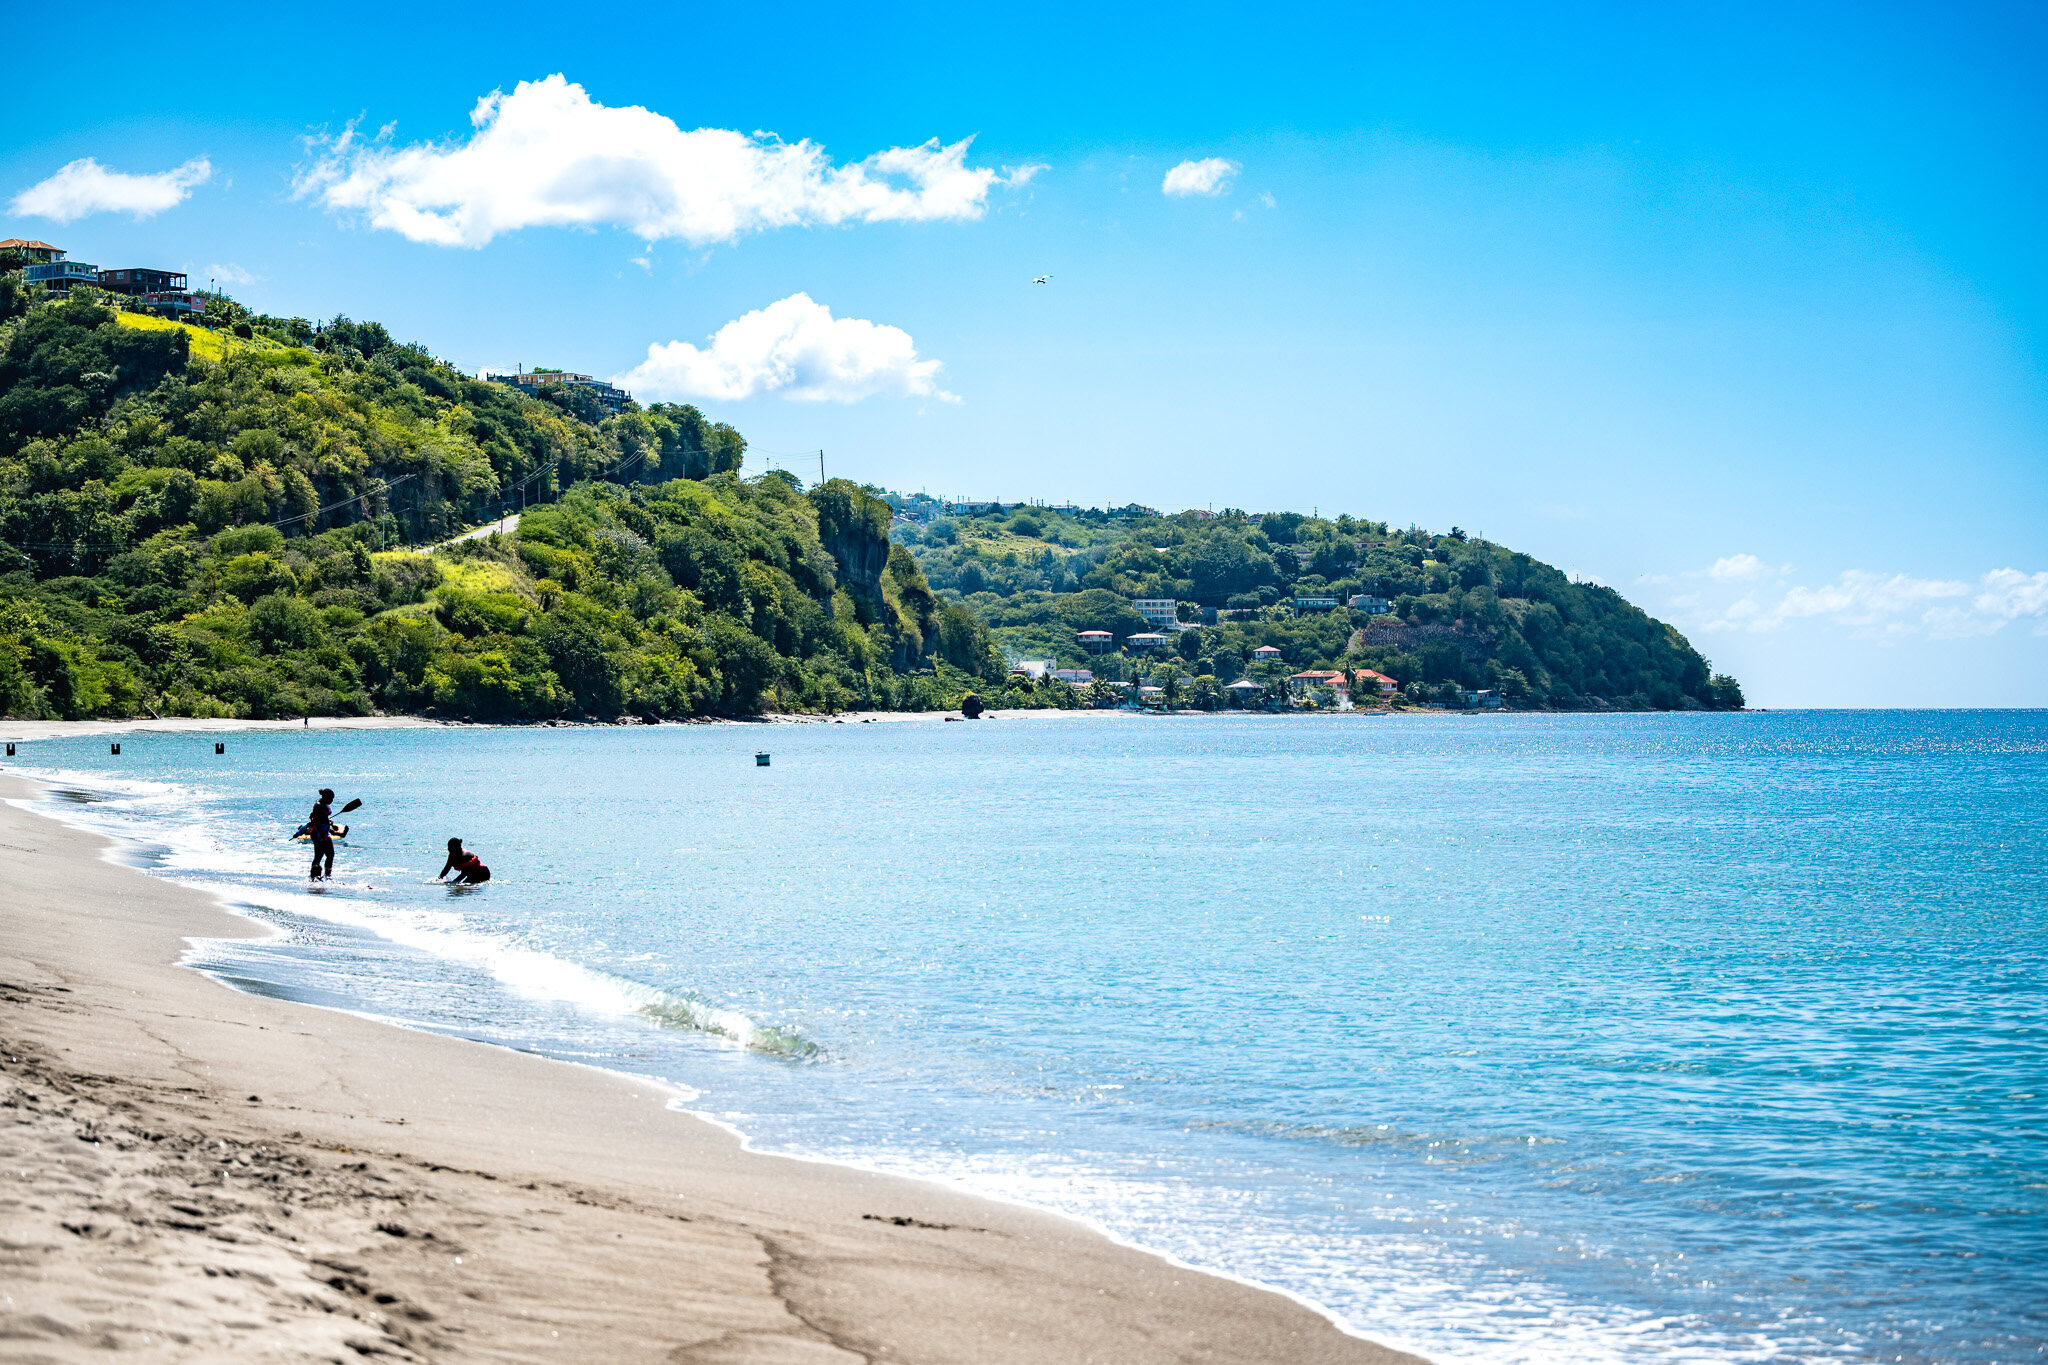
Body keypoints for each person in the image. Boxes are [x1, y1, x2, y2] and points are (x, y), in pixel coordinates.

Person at [307, 788, 337, 882]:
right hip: (318, 833)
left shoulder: (323, 804)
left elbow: (323, 818)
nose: (332, 800)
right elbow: (315, 819)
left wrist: (328, 822)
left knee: (330, 854)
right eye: (331, 798)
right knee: (319, 855)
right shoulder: (318, 805)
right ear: (325, 797)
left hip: (324, 832)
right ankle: (314, 876)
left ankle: (327, 875)